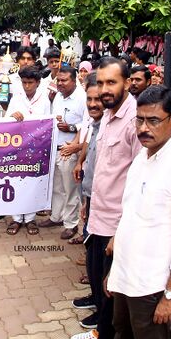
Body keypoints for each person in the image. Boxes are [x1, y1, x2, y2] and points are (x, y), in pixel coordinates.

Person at [106, 86, 171, 339]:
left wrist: (169, 295)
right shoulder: (141, 157)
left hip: (150, 285)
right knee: (121, 333)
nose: (143, 128)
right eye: (139, 119)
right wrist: (115, 267)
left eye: (153, 121)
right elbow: (131, 213)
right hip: (124, 275)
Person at [70, 57, 142, 339]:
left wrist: (122, 232)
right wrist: (88, 204)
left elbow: (139, 182)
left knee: (112, 291)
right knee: (101, 287)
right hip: (98, 218)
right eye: (100, 82)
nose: (104, 89)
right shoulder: (108, 115)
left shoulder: (135, 120)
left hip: (117, 226)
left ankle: (105, 334)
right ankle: (101, 332)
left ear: (127, 83)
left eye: (111, 82)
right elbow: (104, 170)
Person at [70, 73, 104, 323]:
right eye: (89, 99)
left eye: (98, 99)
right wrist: (86, 200)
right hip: (91, 197)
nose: (93, 104)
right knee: (91, 256)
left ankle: (102, 312)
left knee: (103, 263)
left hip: (107, 207)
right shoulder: (94, 124)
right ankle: (94, 296)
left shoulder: (114, 126)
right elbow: (87, 148)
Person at [38, 67, 86, 240]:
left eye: (64, 80)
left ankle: (71, 224)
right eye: (59, 80)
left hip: (70, 149)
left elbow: (87, 124)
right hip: (55, 148)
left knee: (70, 189)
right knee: (57, 187)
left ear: (74, 80)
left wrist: (71, 127)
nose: (60, 84)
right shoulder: (58, 96)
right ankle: (56, 217)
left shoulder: (82, 98)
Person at [5, 66, 51, 235]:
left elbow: (47, 124)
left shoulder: (45, 100)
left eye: (30, 83)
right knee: (16, 180)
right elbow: (6, 122)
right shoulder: (16, 99)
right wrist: (12, 116)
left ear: (38, 83)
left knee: (33, 182)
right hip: (18, 147)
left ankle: (30, 219)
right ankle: (16, 219)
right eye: (24, 82)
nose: (27, 86)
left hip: (37, 147)